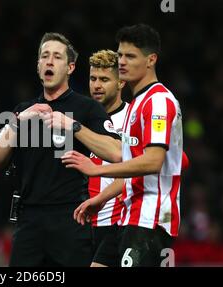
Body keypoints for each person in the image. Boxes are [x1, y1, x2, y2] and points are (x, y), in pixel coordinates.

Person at [0, 32, 121, 266]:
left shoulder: (87, 108)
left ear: (70, 67)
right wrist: (17, 122)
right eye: (44, 56)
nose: (49, 61)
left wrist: (74, 126)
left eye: (57, 57)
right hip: (28, 221)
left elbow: (116, 152)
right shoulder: (24, 110)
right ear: (38, 66)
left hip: (70, 219)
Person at [64, 24, 184, 267]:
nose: (122, 61)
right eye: (120, 55)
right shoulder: (138, 104)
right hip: (130, 216)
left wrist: (96, 169)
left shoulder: (158, 101)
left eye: (130, 56)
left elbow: (153, 161)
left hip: (151, 216)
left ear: (151, 59)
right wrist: (99, 199)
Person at [87, 49, 128, 267]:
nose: (97, 85)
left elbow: (170, 159)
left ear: (121, 83)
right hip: (81, 225)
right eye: (93, 79)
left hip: (118, 222)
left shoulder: (133, 117)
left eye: (104, 79)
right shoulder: (79, 118)